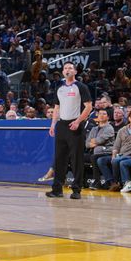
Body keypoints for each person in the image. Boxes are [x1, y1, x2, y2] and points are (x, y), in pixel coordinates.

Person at [46, 62, 93, 199]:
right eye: (65, 68)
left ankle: (77, 190)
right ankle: (57, 189)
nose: (67, 70)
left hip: (75, 125)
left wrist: (78, 121)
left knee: (76, 159)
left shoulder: (81, 87)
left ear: (75, 71)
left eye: (70, 68)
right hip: (62, 126)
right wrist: (53, 124)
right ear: (63, 71)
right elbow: (56, 107)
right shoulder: (59, 87)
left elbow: (89, 107)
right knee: (59, 158)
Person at [97, 111, 131, 191]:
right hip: (120, 154)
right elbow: (116, 146)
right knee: (101, 160)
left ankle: (117, 183)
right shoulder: (122, 130)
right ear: (129, 118)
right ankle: (111, 182)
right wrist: (113, 155)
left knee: (116, 161)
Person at [85, 109, 114, 190]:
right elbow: (87, 144)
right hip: (94, 152)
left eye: (104, 114)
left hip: (106, 152)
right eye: (100, 114)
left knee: (94, 157)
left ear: (108, 117)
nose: (101, 115)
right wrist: (95, 143)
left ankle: (97, 181)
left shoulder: (109, 128)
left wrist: (94, 142)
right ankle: (80, 180)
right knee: (78, 156)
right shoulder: (94, 129)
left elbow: (99, 140)